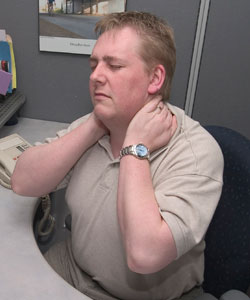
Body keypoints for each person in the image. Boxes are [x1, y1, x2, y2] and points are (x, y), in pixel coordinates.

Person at [11, 11, 224, 300]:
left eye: (114, 65)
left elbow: (144, 254)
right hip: (73, 271)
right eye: (95, 64)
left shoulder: (195, 151)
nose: (96, 76)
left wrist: (135, 148)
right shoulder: (99, 123)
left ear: (155, 78)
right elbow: (23, 182)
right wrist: (93, 126)